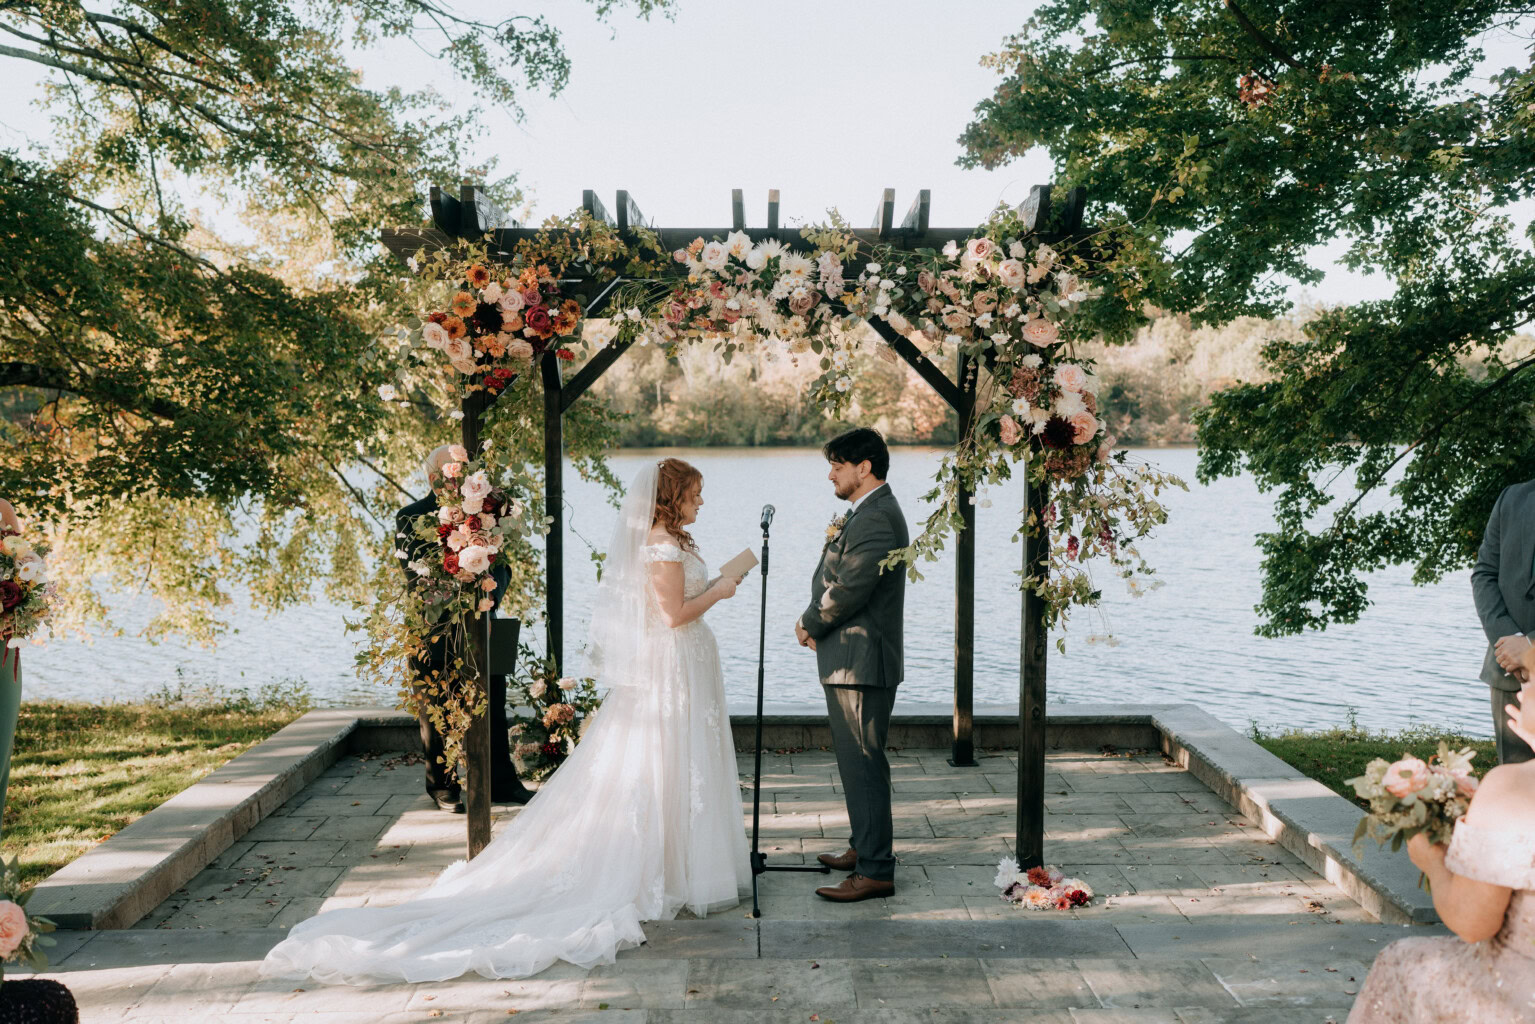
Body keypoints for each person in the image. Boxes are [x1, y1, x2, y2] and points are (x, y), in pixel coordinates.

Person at [262, 457, 750, 984]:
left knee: (679, 761)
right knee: (661, 758)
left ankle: (677, 860)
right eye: (694, 494)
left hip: (686, 665)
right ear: (670, 497)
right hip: (672, 666)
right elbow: (673, 614)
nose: (700, 503)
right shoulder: (659, 544)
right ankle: (658, 868)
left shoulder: (669, 541)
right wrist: (720, 590)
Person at [1347, 665, 1535, 1021]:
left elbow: (1473, 923)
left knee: (1400, 962)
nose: (1521, 690)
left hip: (1519, 996)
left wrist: (1433, 863)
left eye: (1530, 678)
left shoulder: (1512, 788)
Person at [795, 428, 908, 903]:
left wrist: (809, 622)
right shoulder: (865, 512)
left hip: (862, 663)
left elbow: (850, 588)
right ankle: (864, 849)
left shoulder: (878, 518)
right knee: (855, 763)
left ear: (864, 468)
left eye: (838, 465)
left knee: (864, 764)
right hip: (850, 659)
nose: (831, 473)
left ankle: (877, 870)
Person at [396, 446, 531, 812]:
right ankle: (443, 788)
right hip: (433, 629)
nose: (456, 480)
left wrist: (486, 594)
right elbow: (415, 577)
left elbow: (503, 569)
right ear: (432, 477)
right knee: (436, 705)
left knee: (492, 704)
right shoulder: (409, 517)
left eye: (460, 473)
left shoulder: (487, 514)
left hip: (483, 623)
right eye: (449, 474)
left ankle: (500, 782)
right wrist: (461, 585)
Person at [1471, 479, 1535, 763]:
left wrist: (1531, 647)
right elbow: (1484, 573)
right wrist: (1508, 642)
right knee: (1516, 789)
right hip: (1509, 675)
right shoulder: (1512, 498)